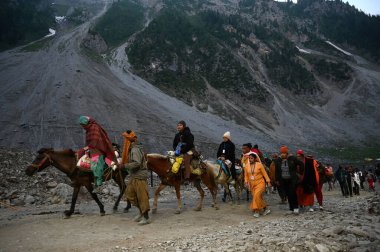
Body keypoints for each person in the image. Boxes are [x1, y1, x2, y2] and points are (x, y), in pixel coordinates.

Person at [119, 130, 150, 225]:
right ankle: (141, 212)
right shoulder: (133, 148)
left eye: (126, 140)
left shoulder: (135, 149)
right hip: (134, 175)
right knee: (130, 194)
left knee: (142, 196)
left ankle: (146, 217)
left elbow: (136, 163)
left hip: (139, 175)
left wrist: (124, 166)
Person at [78, 116, 115, 187]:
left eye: (83, 125)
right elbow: (89, 143)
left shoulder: (94, 127)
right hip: (91, 149)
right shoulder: (89, 129)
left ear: (86, 123)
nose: (82, 127)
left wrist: (85, 149)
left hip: (98, 149)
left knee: (96, 165)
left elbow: (94, 142)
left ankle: (99, 183)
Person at [274, 146, 303, 214]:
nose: (283, 154)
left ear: (287, 153)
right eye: (281, 153)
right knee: (287, 194)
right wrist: (277, 180)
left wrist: (300, 173)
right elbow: (277, 171)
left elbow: (301, 164)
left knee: (292, 193)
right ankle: (291, 208)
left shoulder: (292, 158)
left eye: (284, 153)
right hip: (283, 180)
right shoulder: (278, 160)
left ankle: (295, 208)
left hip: (292, 179)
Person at [244, 153, 271, 218]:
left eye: (251, 158)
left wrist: (268, 181)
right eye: (249, 158)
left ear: (255, 159)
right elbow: (246, 175)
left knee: (256, 195)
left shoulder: (259, 165)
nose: (250, 159)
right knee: (258, 197)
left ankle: (257, 211)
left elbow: (265, 174)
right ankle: (265, 209)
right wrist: (246, 182)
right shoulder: (247, 166)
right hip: (252, 184)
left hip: (260, 183)